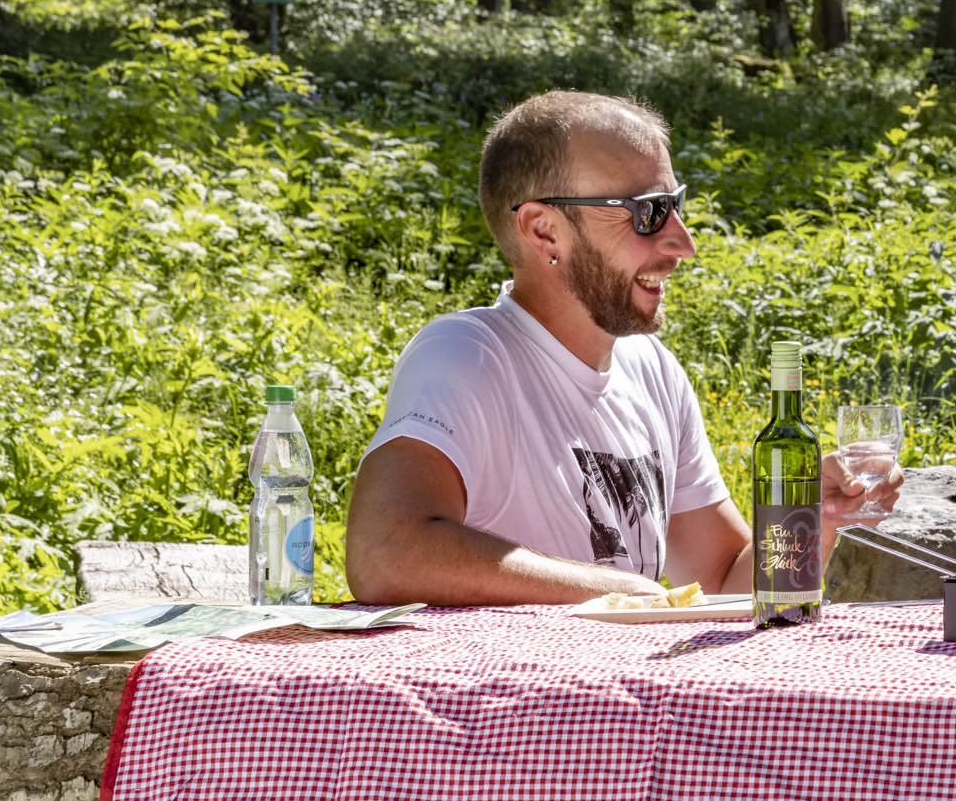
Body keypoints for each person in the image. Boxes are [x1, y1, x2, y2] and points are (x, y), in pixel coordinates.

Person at [346, 90, 899, 606]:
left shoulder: (651, 368)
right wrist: (616, 590)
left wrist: (812, 518)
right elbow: (384, 552)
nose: (683, 243)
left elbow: (725, 581)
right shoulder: (467, 356)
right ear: (543, 230)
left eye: (676, 204)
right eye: (647, 212)